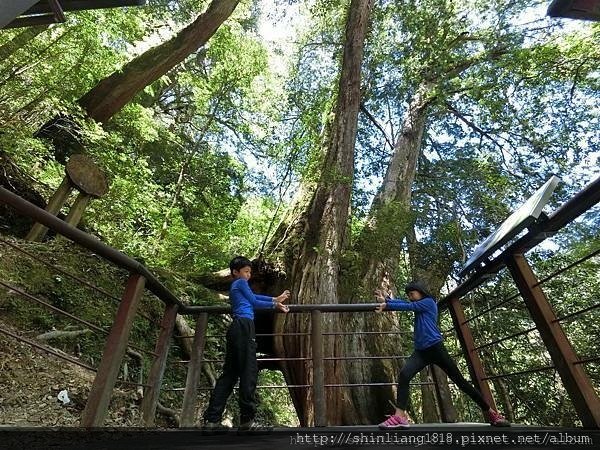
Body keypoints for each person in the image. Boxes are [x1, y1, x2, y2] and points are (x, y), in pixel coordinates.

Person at [374, 280, 510, 429]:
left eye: (412, 294)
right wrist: (386, 300)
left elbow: (409, 306)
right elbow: (406, 303)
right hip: (421, 352)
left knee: (460, 382)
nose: (411, 297)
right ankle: (399, 416)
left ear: (421, 292)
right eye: (409, 295)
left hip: (436, 348)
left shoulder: (429, 302)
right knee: (405, 375)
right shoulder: (419, 304)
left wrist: (388, 304)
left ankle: (492, 413)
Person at [203, 256, 290, 432]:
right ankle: (247, 422)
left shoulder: (237, 286)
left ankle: (211, 421)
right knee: (249, 371)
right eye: (246, 271)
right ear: (235, 272)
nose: (249, 275)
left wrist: (275, 300)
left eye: (250, 272)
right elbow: (255, 302)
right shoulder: (240, 283)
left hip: (237, 329)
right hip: (244, 327)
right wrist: (275, 303)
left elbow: (253, 297)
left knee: (229, 375)